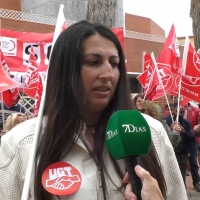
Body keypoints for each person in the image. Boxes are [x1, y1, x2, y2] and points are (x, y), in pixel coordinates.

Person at [0, 20, 187, 200]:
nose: (108, 74)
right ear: (66, 69)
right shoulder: (20, 144)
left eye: (114, 64)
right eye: (93, 62)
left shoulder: (152, 132)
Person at [164, 102, 197, 188]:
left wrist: (184, 131)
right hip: (170, 154)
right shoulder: (165, 121)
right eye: (180, 107)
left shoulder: (187, 123)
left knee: (181, 179)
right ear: (174, 110)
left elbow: (192, 138)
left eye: (184, 107)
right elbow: (161, 137)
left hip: (182, 155)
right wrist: (169, 129)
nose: (182, 108)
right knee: (169, 178)